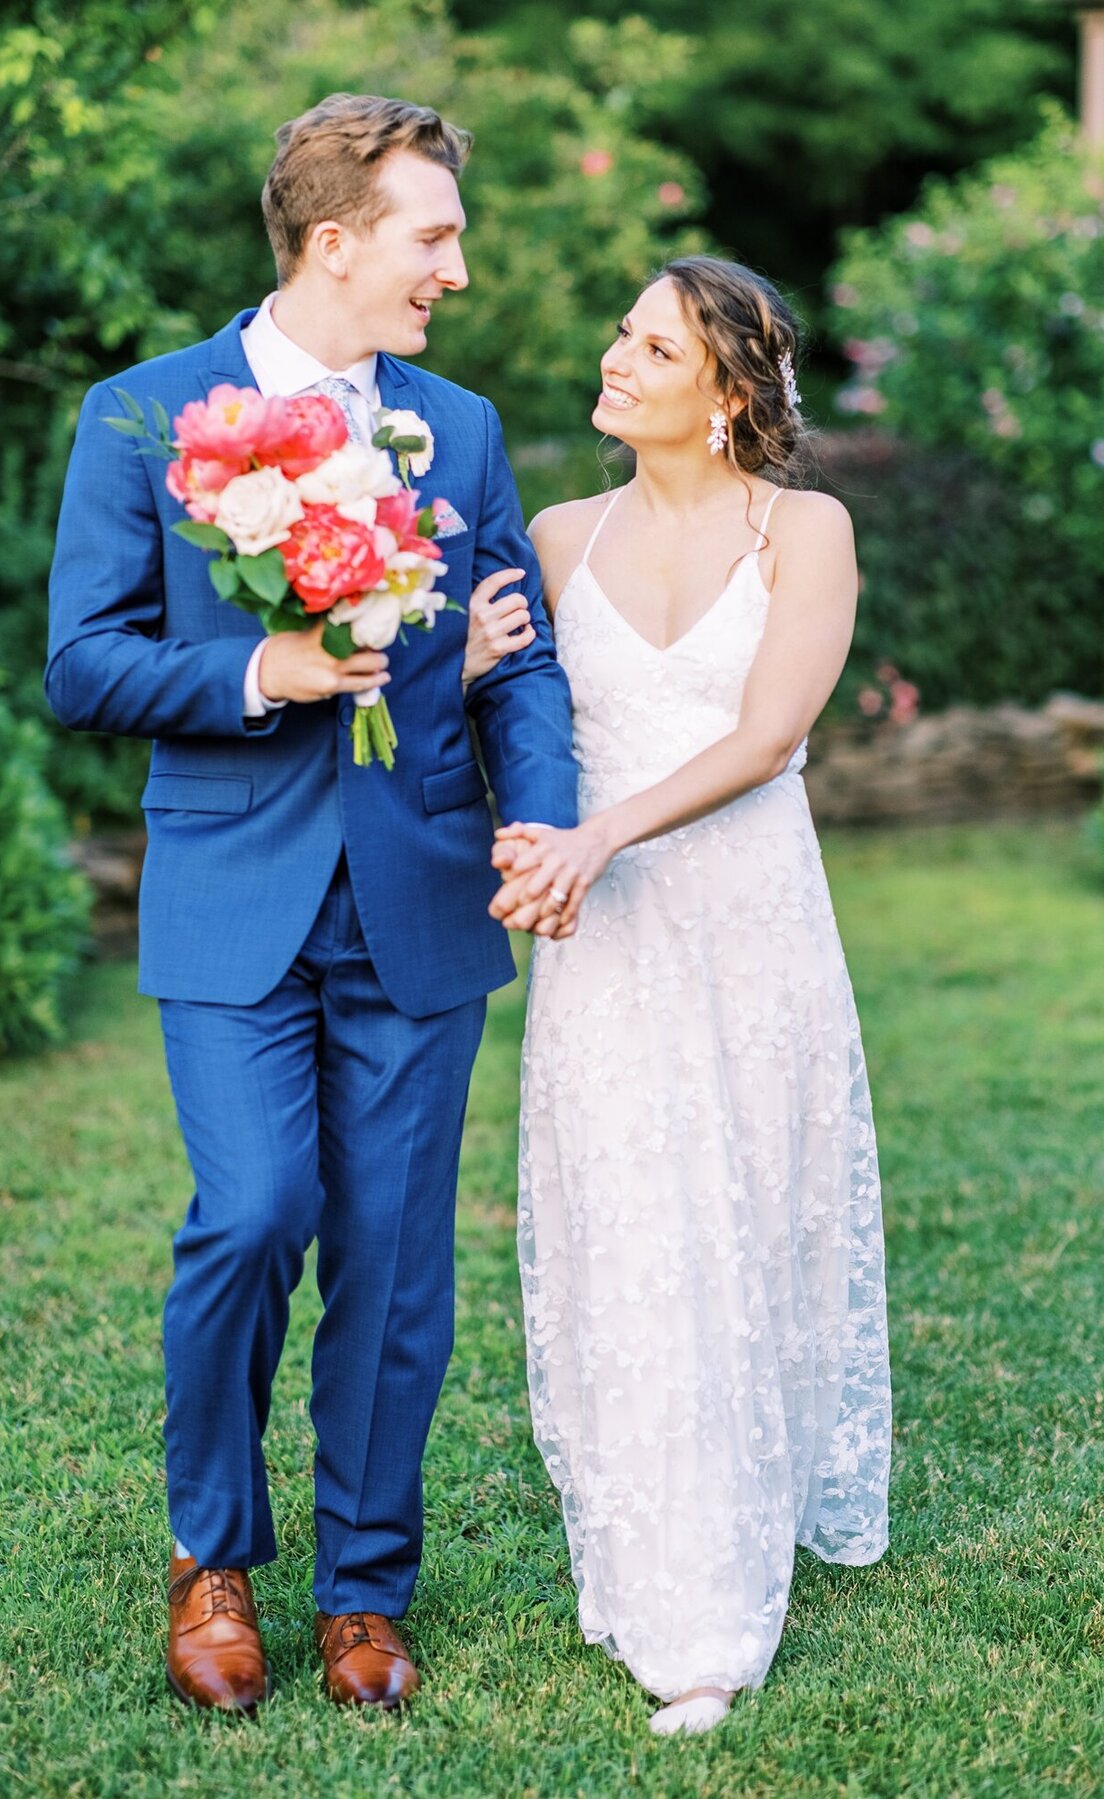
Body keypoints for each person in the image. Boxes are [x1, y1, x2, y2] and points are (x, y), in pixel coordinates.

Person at [46, 93, 577, 1715]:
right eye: (435, 237)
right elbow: (84, 662)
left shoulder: (460, 427)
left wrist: (542, 818)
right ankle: (212, 1555)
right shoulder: (145, 419)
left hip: (419, 888)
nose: (458, 272)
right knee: (255, 1213)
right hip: (229, 894)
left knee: (400, 1264)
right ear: (334, 242)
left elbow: (518, 653)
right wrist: (262, 666)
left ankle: (363, 1589)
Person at [471, 257, 892, 1736]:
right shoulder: (558, 534)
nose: (615, 356)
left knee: (744, 1216)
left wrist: (598, 833)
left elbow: (771, 736)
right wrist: (532, 840)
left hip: (746, 923)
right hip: (610, 939)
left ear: (725, 395)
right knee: (633, 1223)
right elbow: (514, 730)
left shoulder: (807, 530)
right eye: (621, 334)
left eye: (652, 345)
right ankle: (671, 1575)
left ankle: (730, 1550)